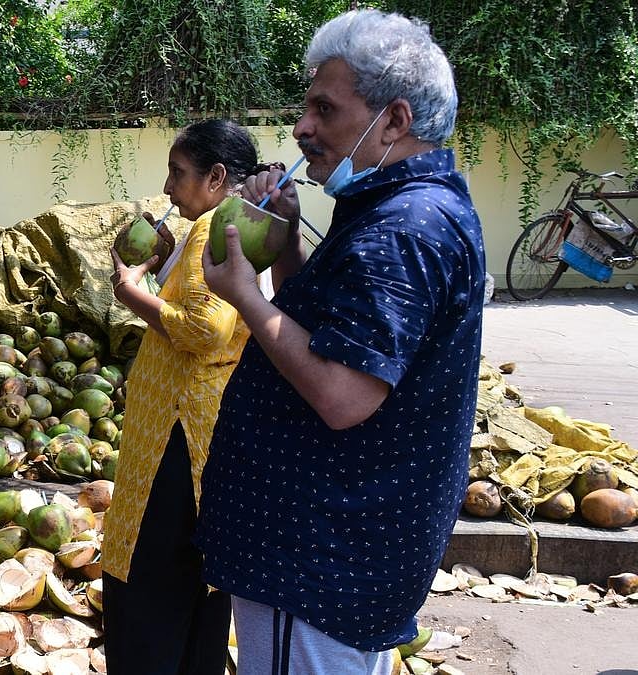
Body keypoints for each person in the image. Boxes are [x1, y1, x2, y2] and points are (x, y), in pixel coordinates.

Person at [196, 10, 485, 674]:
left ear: (394, 121)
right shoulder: (401, 208)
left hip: (320, 560)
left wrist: (245, 293)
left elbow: (341, 394)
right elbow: (333, 339)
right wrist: (290, 242)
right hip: (338, 555)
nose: (303, 127)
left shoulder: (404, 228)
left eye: (325, 108)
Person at [100, 119, 258, 674]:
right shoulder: (234, 226)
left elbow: (203, 328)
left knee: (150, 593)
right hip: (196, 431)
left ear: (216, 177)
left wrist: (132, 292)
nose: (168, 188)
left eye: (177, 173)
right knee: (197, 595)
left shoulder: (211, 230)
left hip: (176, 435)